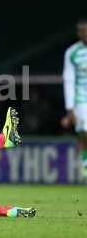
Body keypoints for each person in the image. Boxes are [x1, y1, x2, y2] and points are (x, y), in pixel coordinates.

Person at [62, 19, 87, 178]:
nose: (84, 34)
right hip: (81, 99)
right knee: (84, 130)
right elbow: (69, 79)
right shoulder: (72, 52)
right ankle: (85, 162)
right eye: (82, 32)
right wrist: (70, 108)